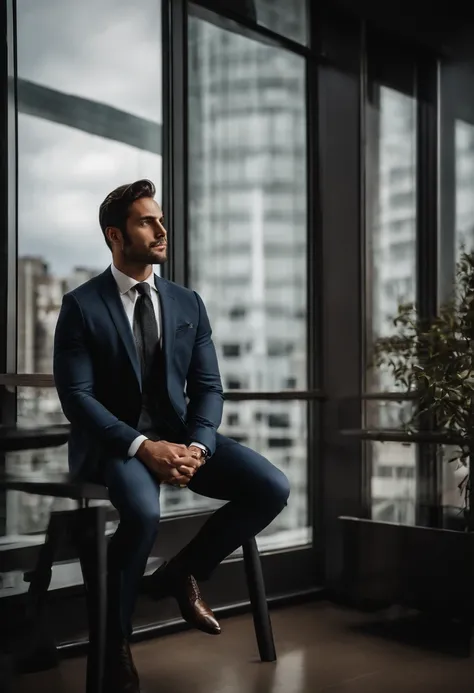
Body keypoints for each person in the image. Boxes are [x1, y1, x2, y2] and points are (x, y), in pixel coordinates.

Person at [53, 179, 290, 693]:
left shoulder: (187, 303)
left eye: (160, 219)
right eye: (147, 221)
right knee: (142, 512)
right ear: (115, 235)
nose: (162, 229)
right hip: (117, 445)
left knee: (272, 486)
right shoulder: (81, 305)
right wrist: (144, 447)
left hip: (184, 437)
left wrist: (198, 446)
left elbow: (208, 386)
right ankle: (114, 641)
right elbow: (77, 398)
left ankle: (180, 573)